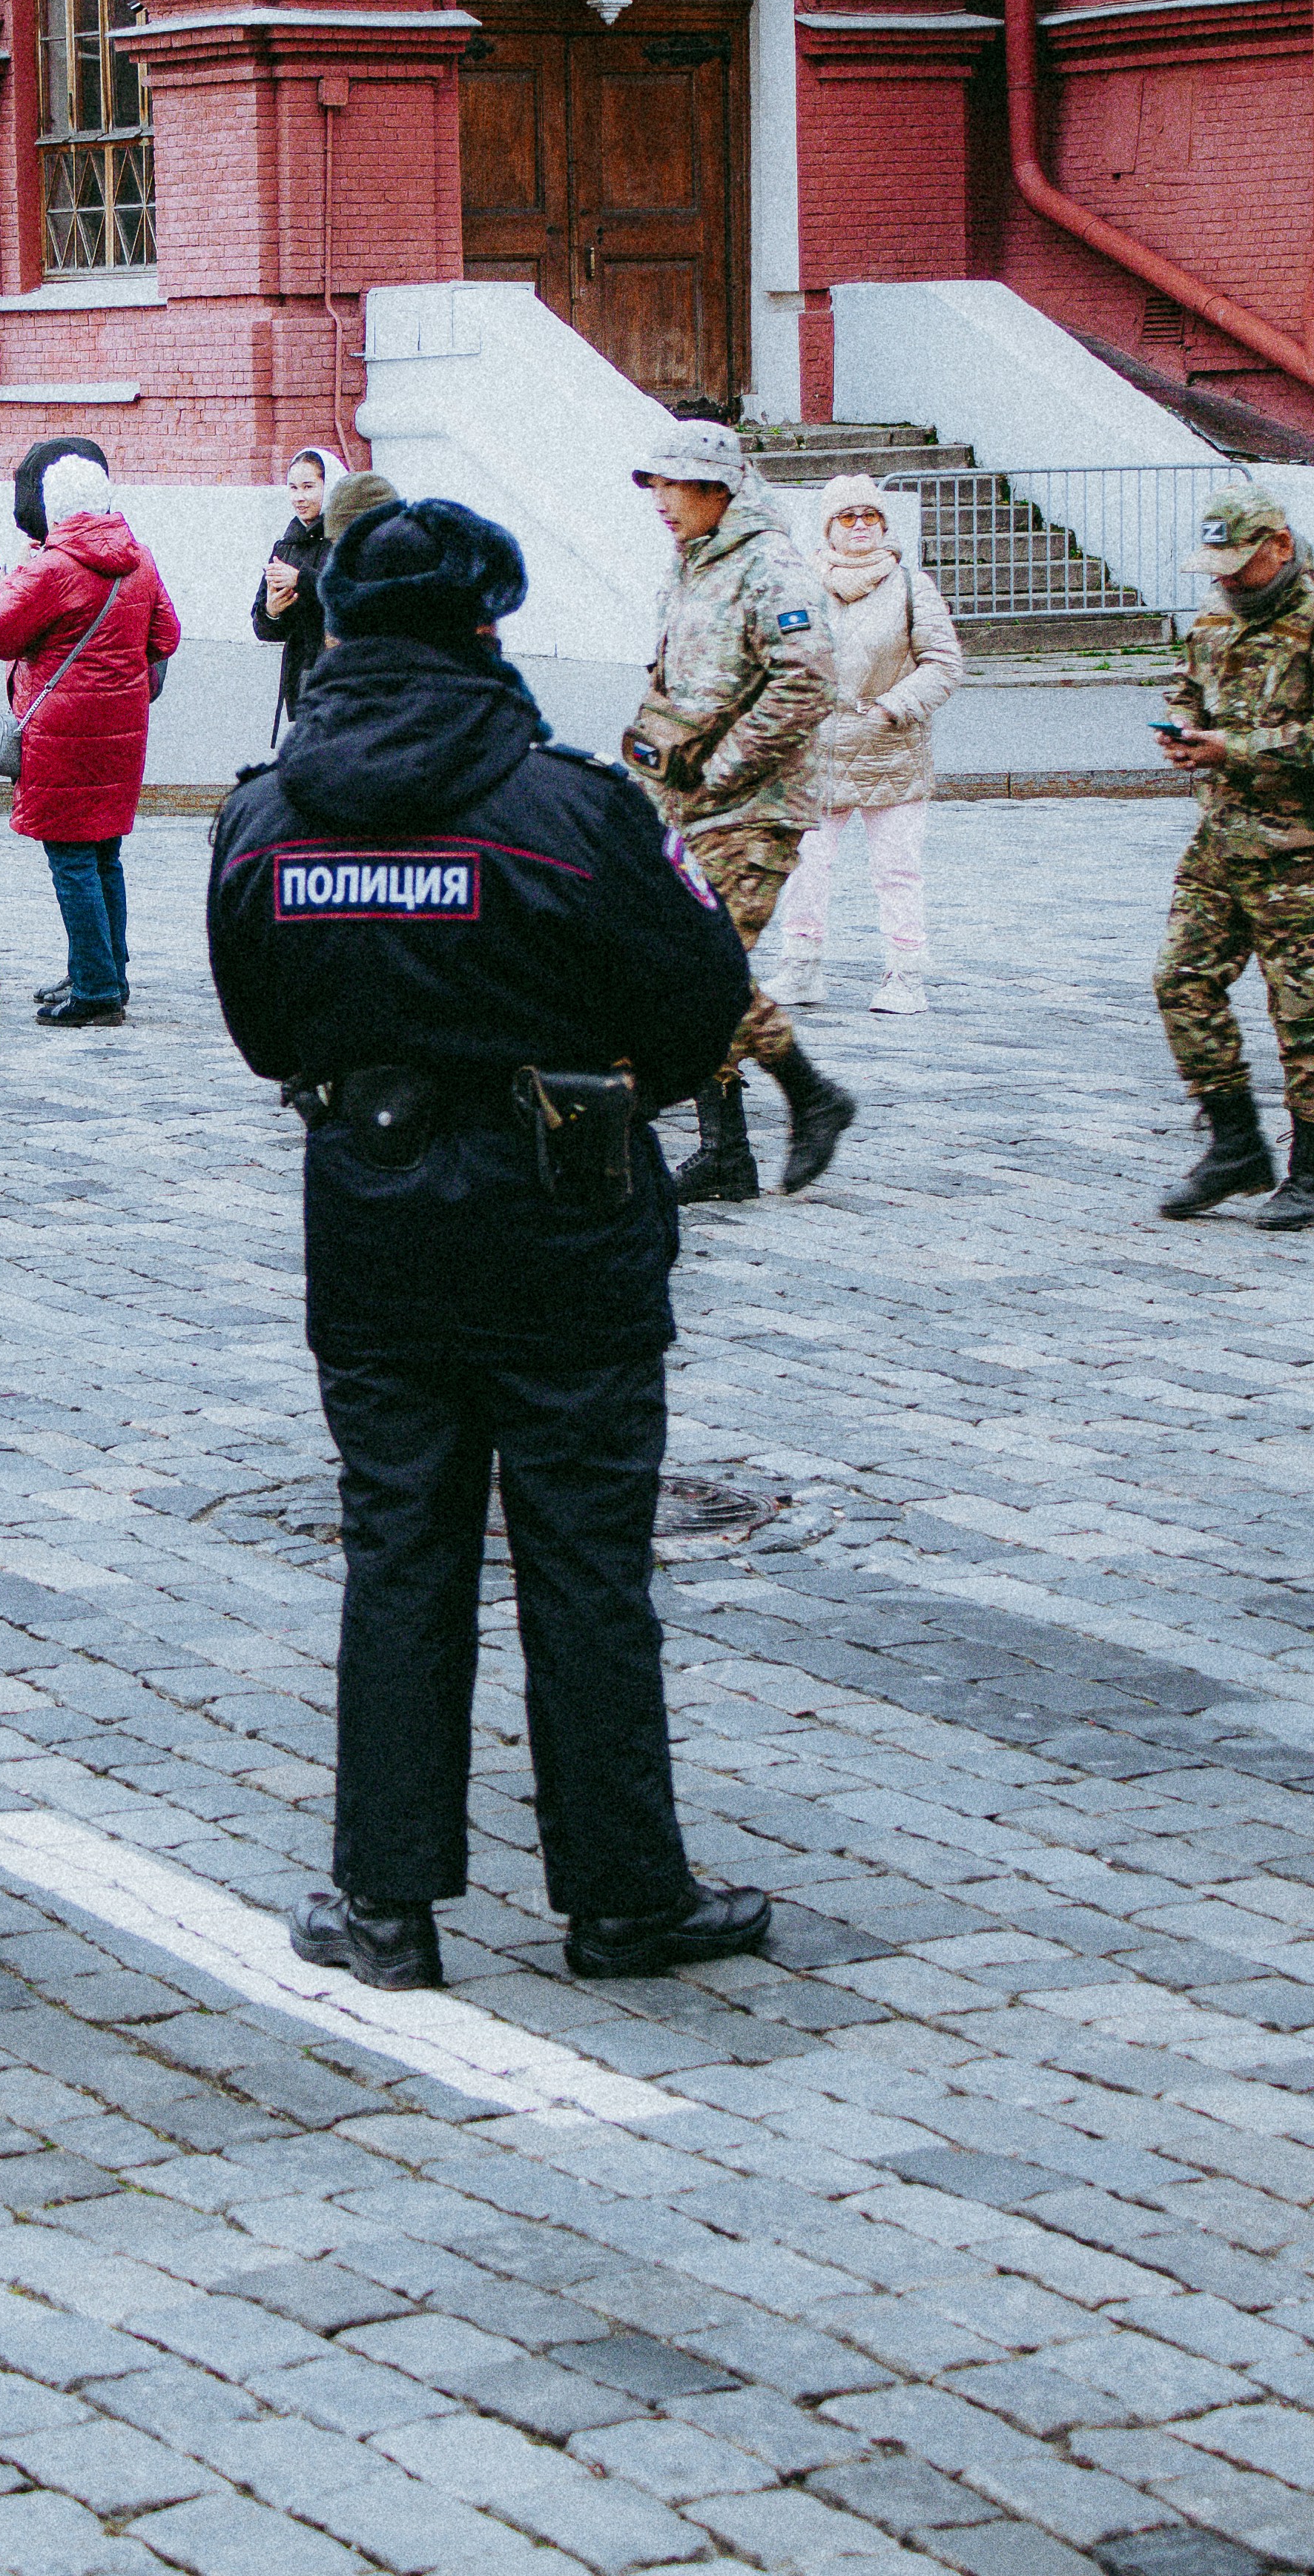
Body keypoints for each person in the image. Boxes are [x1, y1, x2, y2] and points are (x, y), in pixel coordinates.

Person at [208, 495, 770, 1994]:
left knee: (398, 1555)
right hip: (563, 1217)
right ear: (484, 627)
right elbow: (705, 994)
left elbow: (262, 1023)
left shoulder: (267, 813)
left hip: (376, 1227)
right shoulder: (573, 808)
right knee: (588, 1566)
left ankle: (386, 1906)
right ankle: (622, 1896)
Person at [625, 415, 854, 1202]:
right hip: (686, 803)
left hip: (755, 806)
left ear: (717, 488)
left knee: (702, 965)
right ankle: (731, 1148)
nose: (659, 499)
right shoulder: (693, 562)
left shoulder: (770, 567)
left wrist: (722, 766)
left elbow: (809, 680)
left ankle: (808, 1094)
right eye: (653, 483)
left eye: (673, 484)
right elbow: (677, 679)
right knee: (694, 965)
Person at [1152, 483, 1314, 1230]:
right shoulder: (1222, 610)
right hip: (1223, 835)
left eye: (1239, 562)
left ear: (1279, 546)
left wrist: (1236, 749)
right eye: (1216, 564)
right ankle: (1235, 1146)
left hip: (1304, 847)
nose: (1223, 577)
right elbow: (1190, 681)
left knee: (1304, 1011)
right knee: (1181, 981)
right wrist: (1184, 725)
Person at [0, 455, 181, 1027]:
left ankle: (95, 991)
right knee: (104, 854)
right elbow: (166, 632)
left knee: (70, 858)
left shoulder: (52, 567)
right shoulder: (138, 557)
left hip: (61, 736)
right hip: (121, 731)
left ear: (53, 507)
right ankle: (105, 969)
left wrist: (6, 581)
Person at [771, 474, 964, 1018]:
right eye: (847, 517)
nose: (860, 526)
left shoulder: (911, 586)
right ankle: (801, 965)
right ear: (828, 527)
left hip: (890, 749)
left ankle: (906, 975)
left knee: (897, 869)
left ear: (884, 524)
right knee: (806, 864)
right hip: (816, 750)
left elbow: (944, 664)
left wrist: (890, 708)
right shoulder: (800, 584)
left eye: (870, 516)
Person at [253, 447, 344, 731]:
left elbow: (350, 595)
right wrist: (272, 612)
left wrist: (301, 579)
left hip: (340, 673)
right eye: (293, 488)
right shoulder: (285, 546)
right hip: (300, 676)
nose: (299, 497)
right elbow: (265, 630)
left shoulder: (345, 539)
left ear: (329, 487)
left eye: (309, 487)